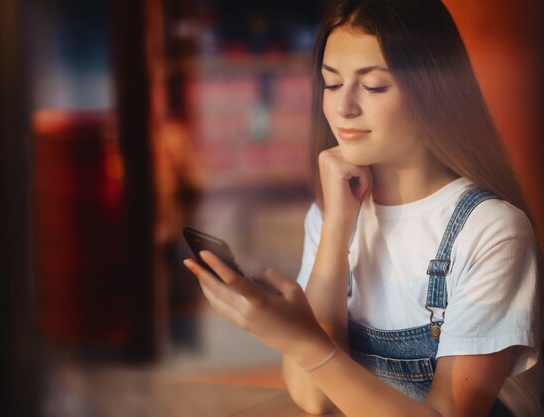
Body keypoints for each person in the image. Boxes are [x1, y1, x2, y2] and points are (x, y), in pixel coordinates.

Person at [183, 0, 543, 416]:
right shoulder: (329, 214)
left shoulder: (492, 230)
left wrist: (297, 338)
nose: (343, 107)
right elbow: (313, 398)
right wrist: (336, 226)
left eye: (373, 86)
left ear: (435, 90)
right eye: (331, 84)